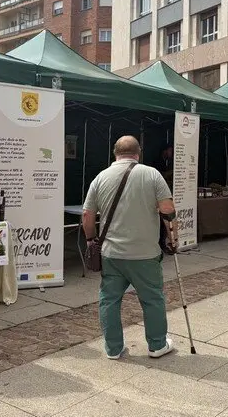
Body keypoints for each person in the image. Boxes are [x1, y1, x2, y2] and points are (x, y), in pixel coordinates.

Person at [83, 135, 176, 360]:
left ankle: (113, 348)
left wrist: (91, 239)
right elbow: (167, 210)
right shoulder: (152, 174)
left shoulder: (100, 177)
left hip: (112, 254)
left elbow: (87, 215)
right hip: (145, 254)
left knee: (109, 300)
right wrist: (173, 239)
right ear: (138, 153)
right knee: (152, 299)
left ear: (115, 153)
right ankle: (157, 345)